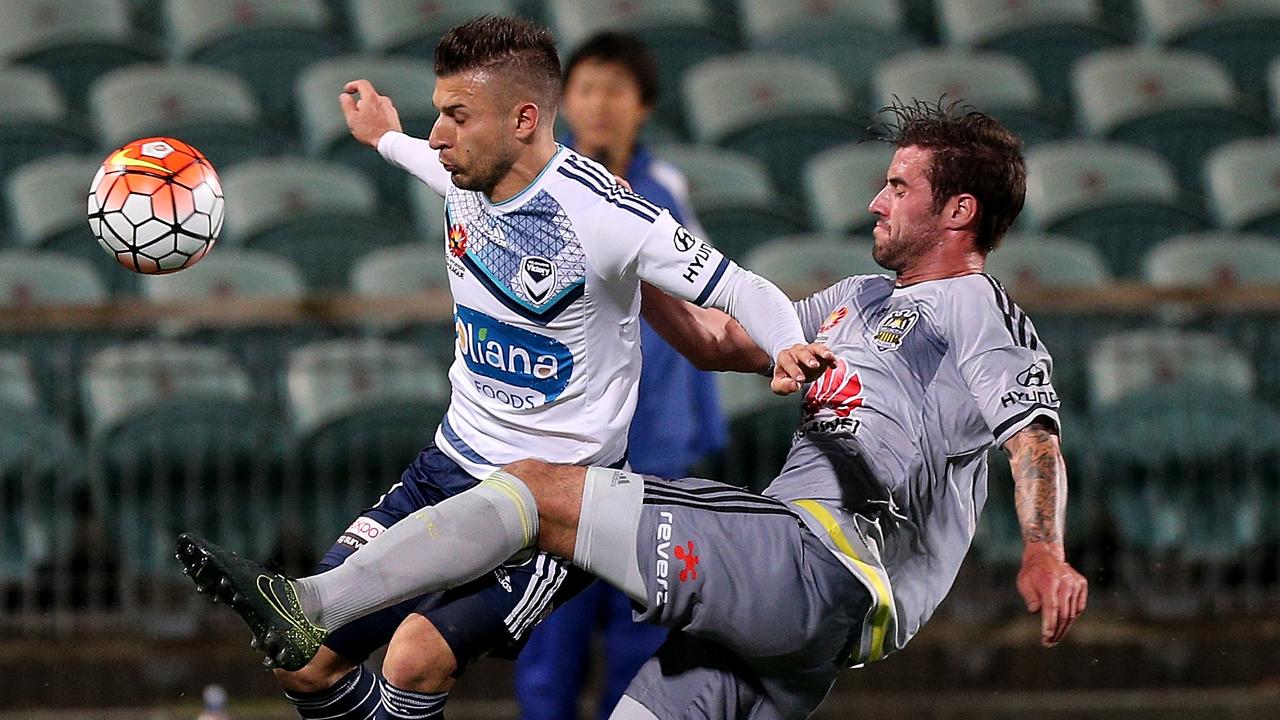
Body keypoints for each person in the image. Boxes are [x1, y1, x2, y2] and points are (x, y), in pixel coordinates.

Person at [180, 100, 1090, 719]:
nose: (874, 200)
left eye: (899, 186)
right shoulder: (854, 299)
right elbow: (711, 341)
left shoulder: (979, 309)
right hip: (805, 634)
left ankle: (311, 599)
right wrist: (626, 261)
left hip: (814, 560)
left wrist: (1044, 551)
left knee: (542, 490)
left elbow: (1033, 434)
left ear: (959, 210)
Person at [177, 15, 825, 720]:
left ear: (522, 119)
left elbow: (739, 286)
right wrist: (382, 135)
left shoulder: (606, 214)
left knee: (413, 660)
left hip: (554, 501)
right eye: (436, 114)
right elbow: (422, 158)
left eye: (456, 116)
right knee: (305, 664)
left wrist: (786, 340)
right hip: (447, 469)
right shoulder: (464, 175)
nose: (439, 136)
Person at [514, 31, 727, 720]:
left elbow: (701, 312)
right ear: (562, 101)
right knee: (551, 641)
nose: (599, 104)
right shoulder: (532, 188)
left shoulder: (668, 192)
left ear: (644, 106)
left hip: (656, 460)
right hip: (562, 460)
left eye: (615, 90)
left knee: (644, 649)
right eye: (586, 88)